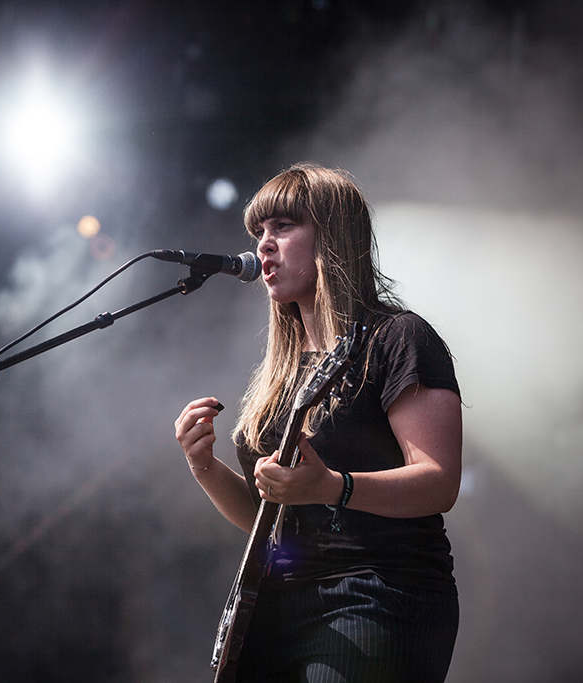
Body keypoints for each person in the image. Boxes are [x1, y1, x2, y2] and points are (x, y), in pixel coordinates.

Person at [175, 163, 462, 683]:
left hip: (380, 593)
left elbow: (439, 482)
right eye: (258, 232)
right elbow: (278, 524)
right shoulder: (280, 373)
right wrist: (206, 469)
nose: (264, 244)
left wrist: (332, 485)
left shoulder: (398, 338)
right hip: (282, 605)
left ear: (331, 235)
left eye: (283, 226)